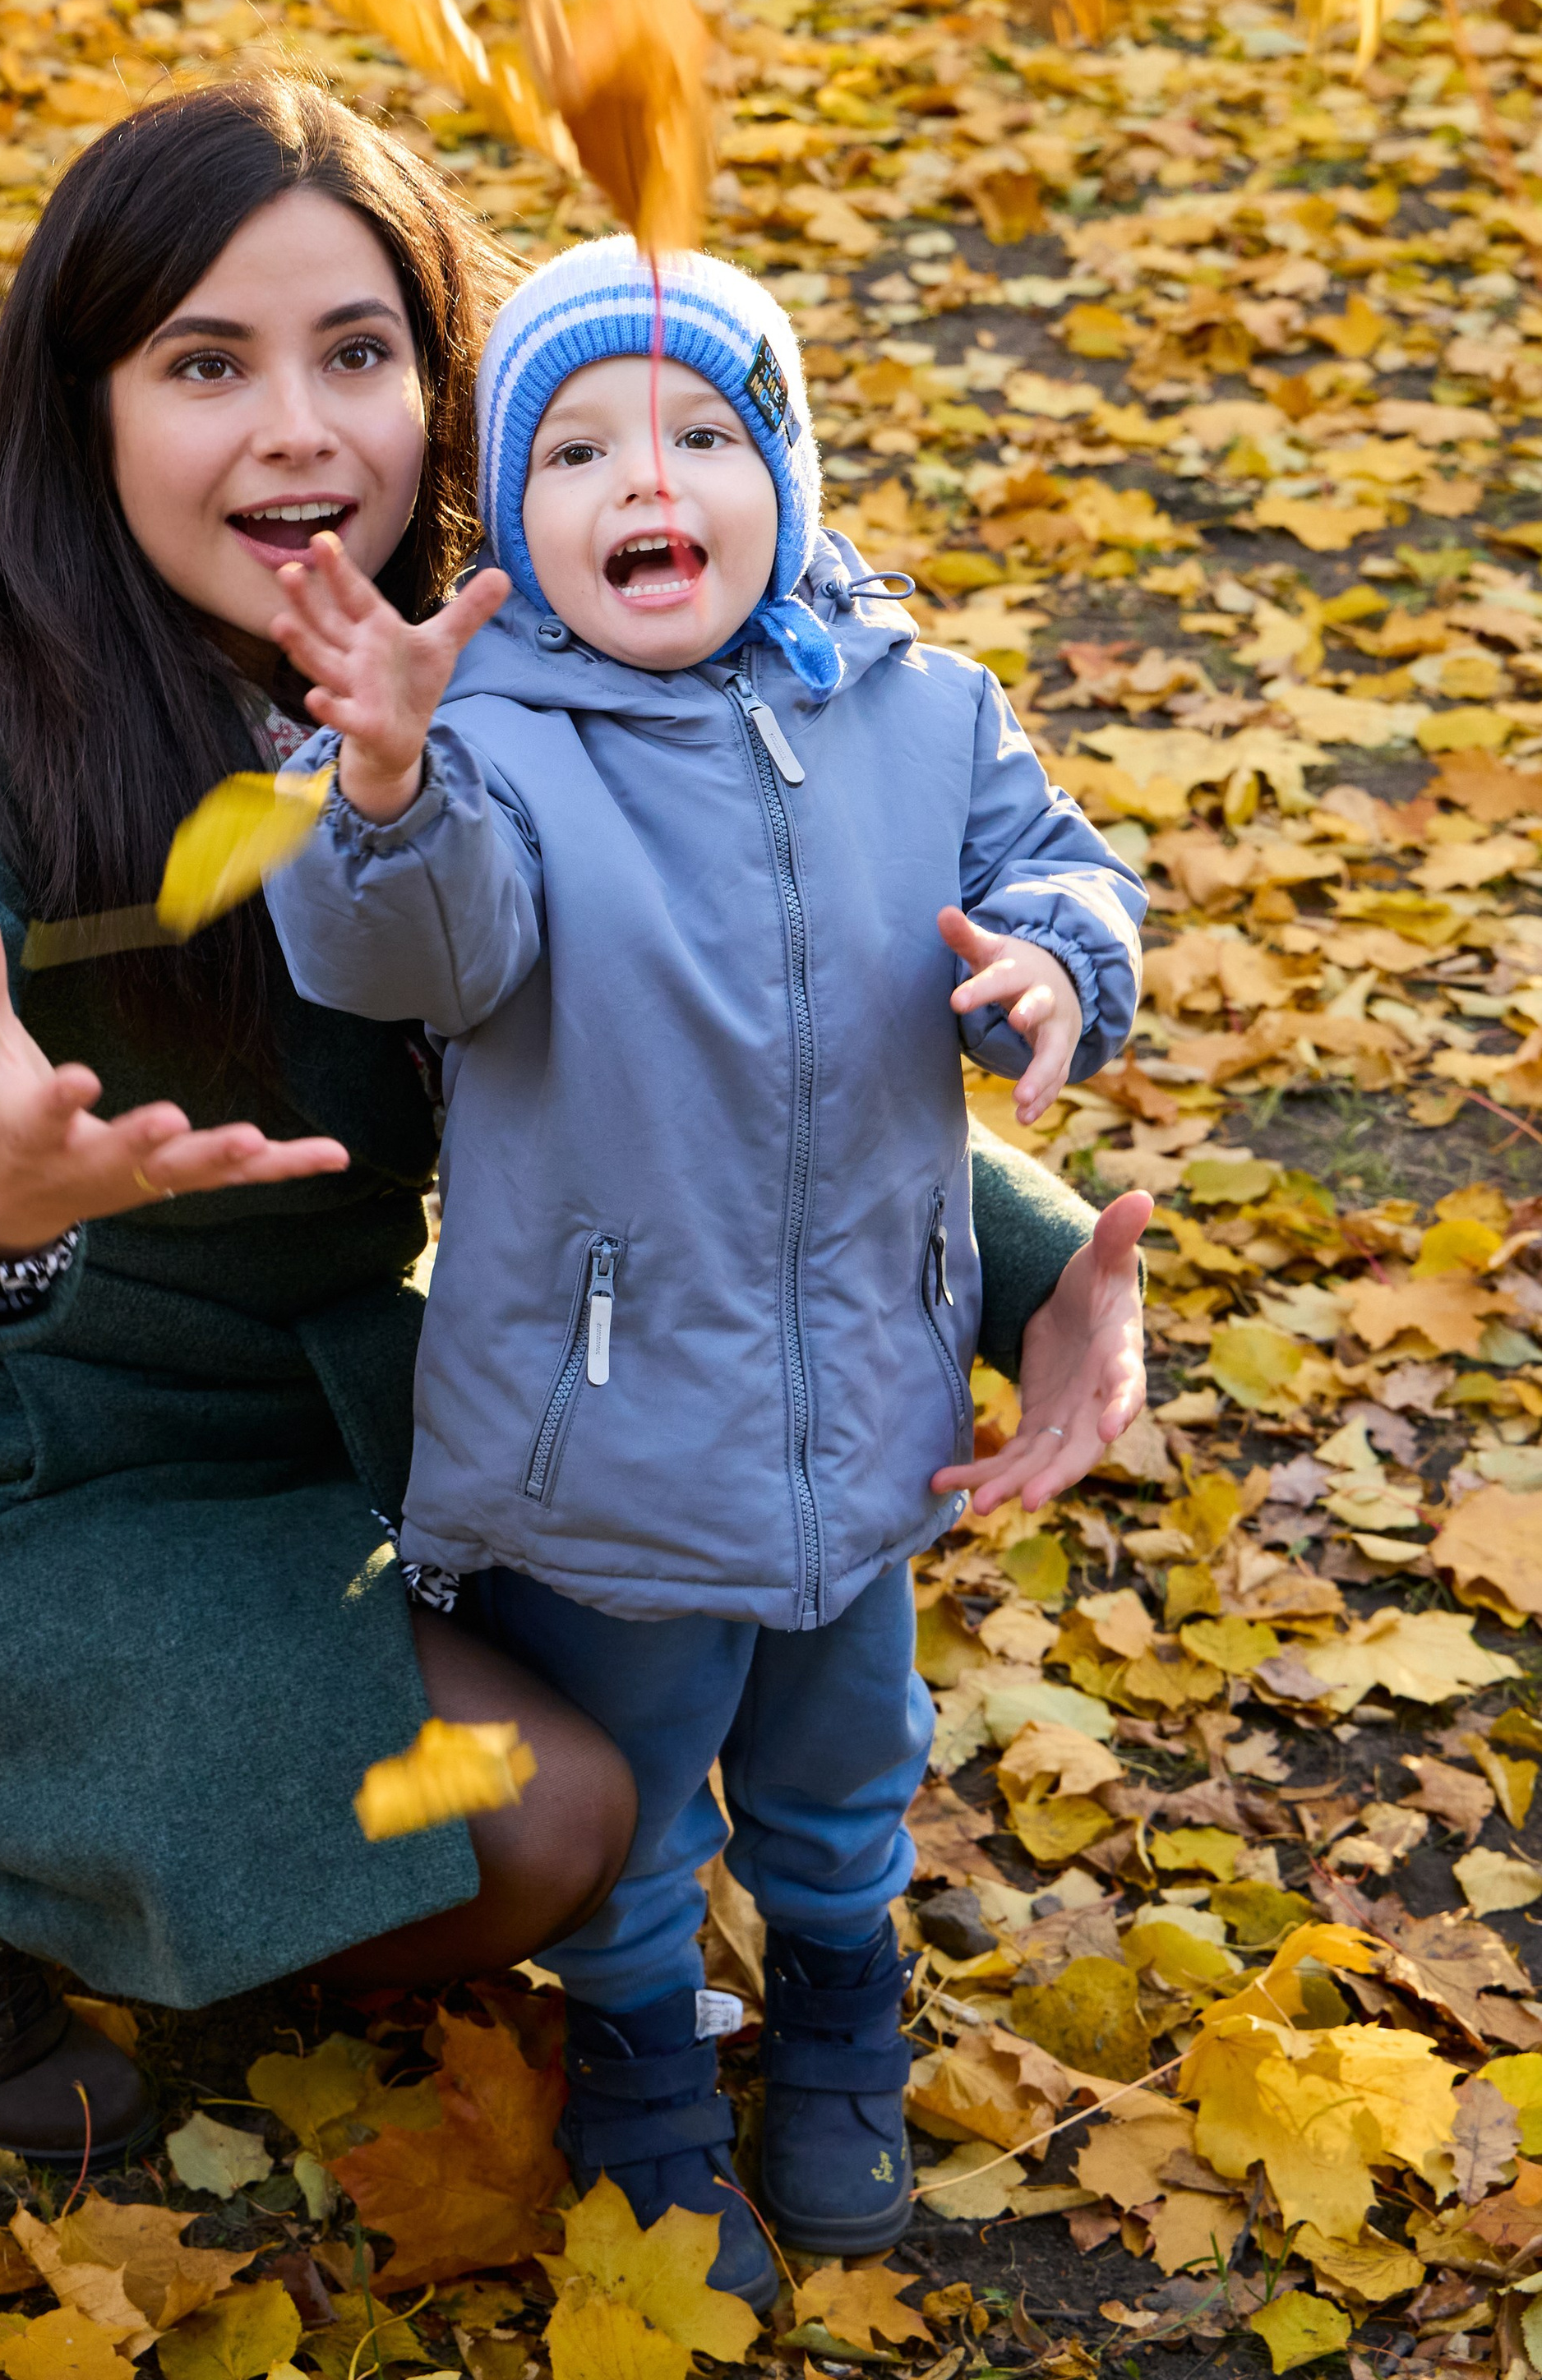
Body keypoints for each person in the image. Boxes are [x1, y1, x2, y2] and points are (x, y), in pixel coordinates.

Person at [0, 80, 1148, 2187]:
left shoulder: (517, 665)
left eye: (356, 355)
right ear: (81, 408)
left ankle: (227, 1841)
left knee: (612, 1739)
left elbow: (728, 1039)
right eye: (206, 363)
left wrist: (1039, 1277)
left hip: (327, 1432)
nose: (298, 431)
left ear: (438, 391)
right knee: (540, 1817)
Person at [265, 235, 1149, 2297]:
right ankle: (646, 2055)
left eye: (695, 432)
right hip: (596, 1447)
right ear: (513, 519)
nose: (637, 480)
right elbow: (415, 948)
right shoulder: (485, 743)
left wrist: (1056, 964)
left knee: (848, 1761)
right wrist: (381, 780)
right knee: (641, 1793)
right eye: (570, 449)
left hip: (866, 1406)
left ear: (788, 469)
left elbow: (1057, 861)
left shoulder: (916, 710)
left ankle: (840, 1997)